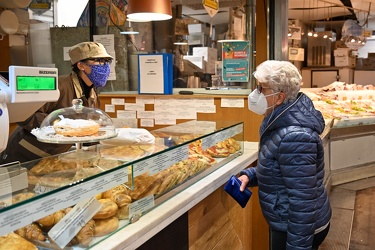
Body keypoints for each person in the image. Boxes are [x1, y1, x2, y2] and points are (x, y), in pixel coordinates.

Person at [239, 60, 332, 250]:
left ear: (279, 97)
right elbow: (283, 169)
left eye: (261, 89)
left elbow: (303, 203)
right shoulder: (279, 121)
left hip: (297, 228)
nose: (255, 94)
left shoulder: (295, 136)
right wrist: (251, 175)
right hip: (288, 221)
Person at [0, 42, 113, 164]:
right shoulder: (58, 86)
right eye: (99, 60)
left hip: (53, 156)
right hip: (26, 153)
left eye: (106, 61)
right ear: (81, 65)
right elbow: (24, 115)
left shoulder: (92, 91)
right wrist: (59, 126)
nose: (104, 66)